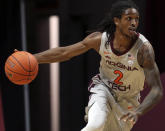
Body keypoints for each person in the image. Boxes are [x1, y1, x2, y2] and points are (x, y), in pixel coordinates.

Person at [33, 0, 163, 131]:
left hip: (128, 101)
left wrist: (138, 112)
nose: (134, 23)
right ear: (117, 21)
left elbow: (157, 90)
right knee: (95, 125)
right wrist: (33, 58)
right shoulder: (100, 39)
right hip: (104, 88)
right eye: (129, 19)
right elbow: (65, 52)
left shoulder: (143, 49)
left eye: (136, 19)